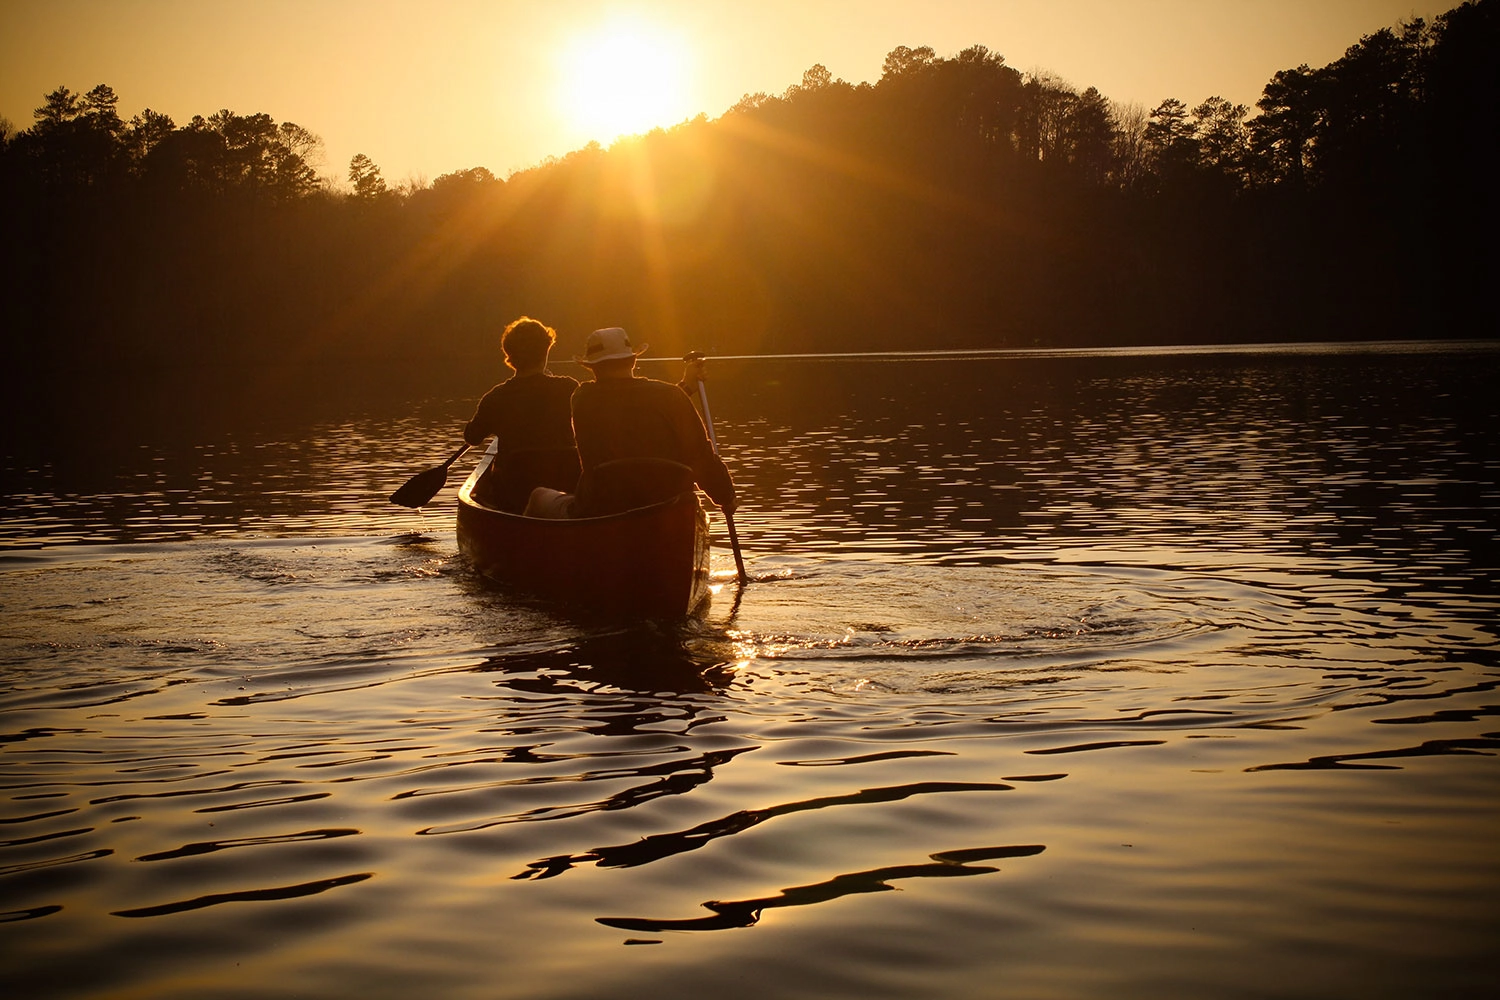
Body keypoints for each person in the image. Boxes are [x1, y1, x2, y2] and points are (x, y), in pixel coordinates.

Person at [526, 327, 737, 519]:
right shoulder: (671, 397)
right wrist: (725, 497)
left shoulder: (582, 398)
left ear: (592, 368)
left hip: (602, 509)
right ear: (633, 361)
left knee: (538, 496)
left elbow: (628, 406)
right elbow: (701, 457)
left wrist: (684, 388)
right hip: (667, 506)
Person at [462, 316, 581, 512]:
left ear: (510, 356)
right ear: (546, 351)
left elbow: (472, 437)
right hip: (565, 486)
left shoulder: (495, 398)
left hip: (514, 492)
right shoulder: (569, 388)